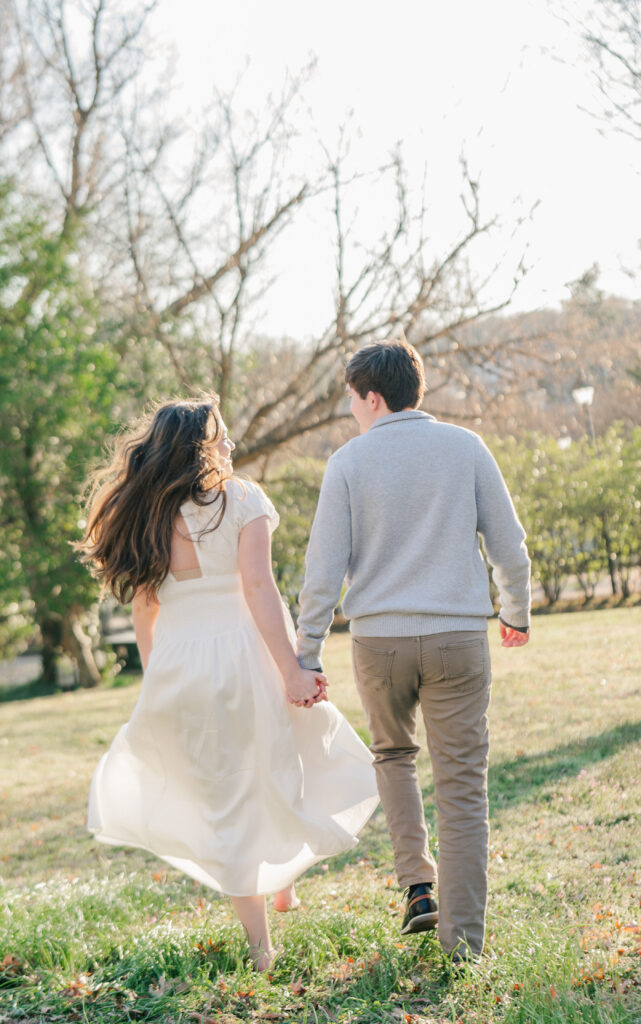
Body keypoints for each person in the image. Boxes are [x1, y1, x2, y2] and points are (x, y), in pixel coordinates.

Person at [77, 398, 378, 971]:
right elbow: (259, 589)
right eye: (221, 437)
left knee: (226, 791)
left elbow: (146, 613)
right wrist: (291, 668)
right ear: (197, 447)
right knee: (295, 754)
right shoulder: (241, 499)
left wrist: (157, 682)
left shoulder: (141, 513)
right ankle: (270, 923)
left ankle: (271, 914)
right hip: (245, 654)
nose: (231, 446)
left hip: (180, 666)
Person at [296, 340, 530, 962]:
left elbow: (323, 569)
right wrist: (516, 612)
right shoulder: (466, 447)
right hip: (457, 637)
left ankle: (418, 888)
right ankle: (465, 946)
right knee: (461, 787)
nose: (350, 409)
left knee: (393, 755)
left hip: (378, 642)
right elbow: (509, 545)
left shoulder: (347, 463)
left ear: (373, 397)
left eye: (351, 398)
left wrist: (307, 651)